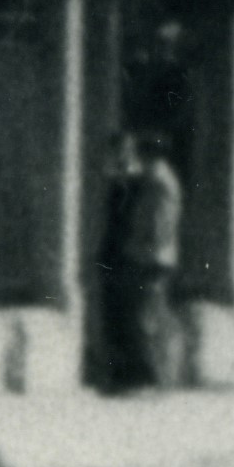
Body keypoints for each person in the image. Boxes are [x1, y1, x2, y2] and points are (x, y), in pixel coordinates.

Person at [89, 121, 182, 399]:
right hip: (144, 254)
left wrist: (139, 246)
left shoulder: (156, 180)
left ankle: (148, 379)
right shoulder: (150, 178)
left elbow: (156, 223)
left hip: (148, 257)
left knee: (144, 319)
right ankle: (135, 378)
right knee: (140, 317)